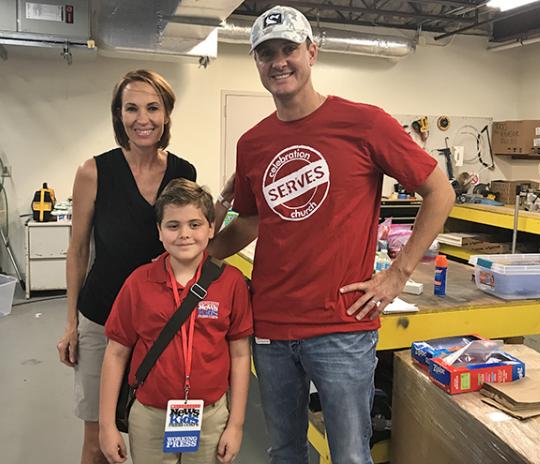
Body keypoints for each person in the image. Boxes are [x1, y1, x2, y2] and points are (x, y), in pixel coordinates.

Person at [208, 5, 456, 464]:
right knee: (285, 451)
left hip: (341, 326)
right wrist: (194, 258)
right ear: (257, 64)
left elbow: (439, 191)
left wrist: (398, 274)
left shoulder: (365, 123)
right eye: (266, 53)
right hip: (271, 325)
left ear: (312, 52)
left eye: (288, 49)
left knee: (349, 455)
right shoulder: (253, 143)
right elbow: (249, 220)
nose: (278, 61)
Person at [56, 69, 197, 464]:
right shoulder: (94, 172)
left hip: (164, 324)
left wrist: (222, 201)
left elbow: (191, 241)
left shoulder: (183, 173)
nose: (142, 118)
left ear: (167, 114)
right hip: (101, 319)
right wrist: (71, 324)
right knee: (99, 440)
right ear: (118, 116)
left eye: (153, 108)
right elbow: (77, 250)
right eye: (131, 108)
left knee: (167, 437)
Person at [98, 178, 252, 464]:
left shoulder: (230, 283)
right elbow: (116, 353)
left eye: (195, 224)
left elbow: (240, 354)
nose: (184, 234)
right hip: (150, 416)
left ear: (211, 228)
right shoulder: (138, 283)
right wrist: (107, 425)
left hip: (211, 416)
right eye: (173, 225)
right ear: (159, 231)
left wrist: (236, 424)